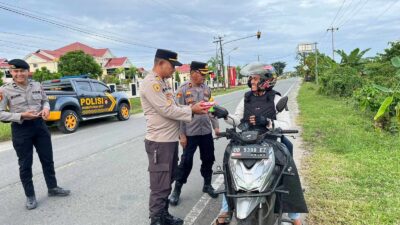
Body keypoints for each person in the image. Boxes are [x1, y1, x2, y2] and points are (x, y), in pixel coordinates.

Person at [214, 62, 307, 225]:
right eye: (251, 78)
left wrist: (268, 122)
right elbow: (238, 119)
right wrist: (224, 115)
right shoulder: (246, 98)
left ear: (265, 80)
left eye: (254, 78)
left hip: (269, 140)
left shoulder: (276, 98)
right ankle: (225, 209)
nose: (251, 81)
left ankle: (293, 216)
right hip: (246, 140)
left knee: (286, 168)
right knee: (229, 164)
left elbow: (286, 125)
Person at [140, 50, 209, 225]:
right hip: (159, 142)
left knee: (168, 180)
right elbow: (167, 110)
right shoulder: (151, 83)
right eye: (172, 66)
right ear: (161, 63)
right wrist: (191, 110)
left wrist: (191, 108)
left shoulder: (163, 83)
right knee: (159, 185)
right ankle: (156, 220)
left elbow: (175, 106)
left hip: (168, 141)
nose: (174, 70)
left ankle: (164, 215)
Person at [0, 59, 70, 210]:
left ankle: (53, 188)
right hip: (21, 129)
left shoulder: (37, 85)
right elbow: (0, 113)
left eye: (22, 71)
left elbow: (45, 101)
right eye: (15, 71)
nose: (19, 74)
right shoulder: (4, 90)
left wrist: (46, 109)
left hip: (40, 127)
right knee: (25, 165)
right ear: (11, 72)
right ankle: (30, 196)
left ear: (27, 71)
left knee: (47, 160)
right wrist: (21, 116)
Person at [169, 61, 219, 206]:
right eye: (202, 74)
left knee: (208, 158)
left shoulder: (207, 89)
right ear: (193, 74)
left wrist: (215, 126)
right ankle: (177, 190)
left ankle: (207, 184)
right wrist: (181, 135)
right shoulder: (183, 90)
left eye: (205, 74)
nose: (204, 77)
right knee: (186, 162)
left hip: (206, 131)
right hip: (190, 133)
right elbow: (178, 114)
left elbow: (211, 109)